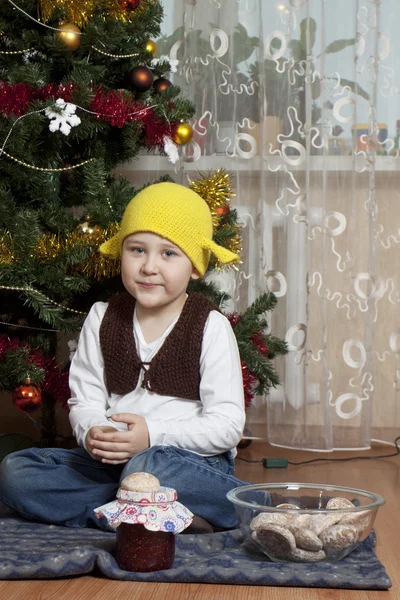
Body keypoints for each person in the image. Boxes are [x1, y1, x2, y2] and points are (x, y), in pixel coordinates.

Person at [0, 182, 248, 532]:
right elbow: (84, 400)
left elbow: (226, 428)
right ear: (122, 253)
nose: (149, 266)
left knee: (145, 469)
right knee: (15, 473)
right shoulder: (103, 318)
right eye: (137, 249)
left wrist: (152, 435)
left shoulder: (209, 326)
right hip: (110, 464)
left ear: (195, 266)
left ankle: (238, 502)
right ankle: (147, 514)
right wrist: (92, 433)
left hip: (184, 463)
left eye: (168, 253)